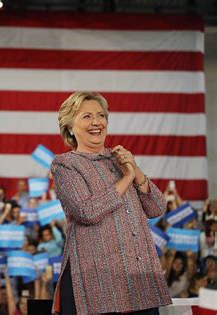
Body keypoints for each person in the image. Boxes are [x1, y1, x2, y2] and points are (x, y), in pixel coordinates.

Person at [50, 92, 171, 314]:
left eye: (101, 115)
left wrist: (134, 170)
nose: (96, 122)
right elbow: (87, 211)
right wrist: (126, 178)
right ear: (69, 127)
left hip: (139, 279)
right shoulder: (65, 165)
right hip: (97, 281)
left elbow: (157, 208)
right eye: (86, 116)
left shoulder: (120, 159)